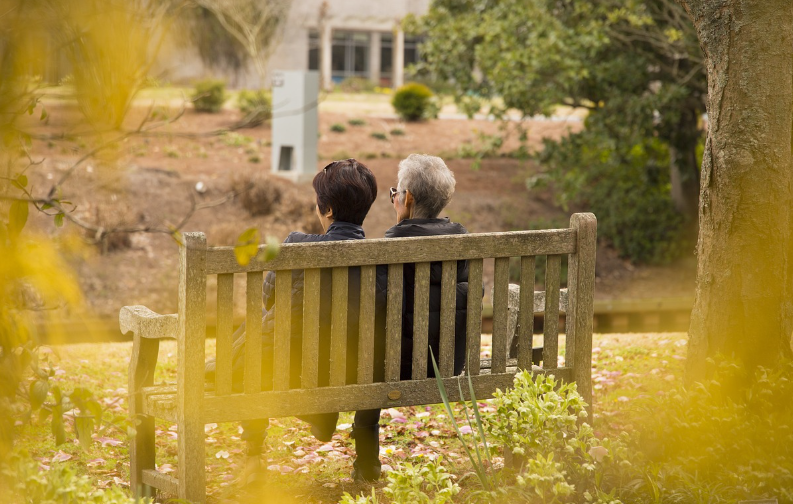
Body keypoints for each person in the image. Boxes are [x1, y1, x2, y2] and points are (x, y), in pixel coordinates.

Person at [205, 158, 379, 481]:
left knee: (258, 334)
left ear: (327, 210)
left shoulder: (298, 246)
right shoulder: (382, 259)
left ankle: (254, 457)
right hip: (357, 371)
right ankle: (364, 461)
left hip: (292, 370)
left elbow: (269, 299)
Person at [364, 153, 471, 478]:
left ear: (407, 198)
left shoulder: (390, 248)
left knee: (368, 362)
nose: (394, 199)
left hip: (395, 368)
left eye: (394, 193)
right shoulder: (462, 243)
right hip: (449, 364)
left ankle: (366, 467)